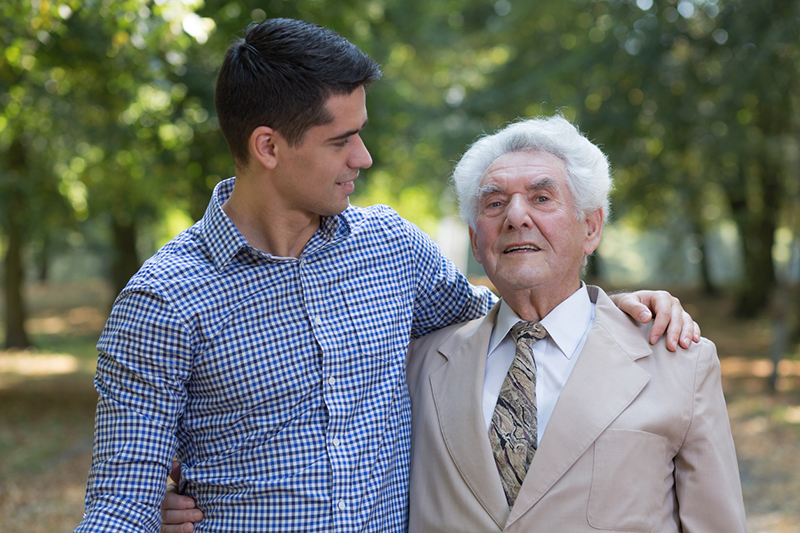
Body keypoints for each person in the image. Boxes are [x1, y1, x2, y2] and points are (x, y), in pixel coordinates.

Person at [78, 18, 697, 533]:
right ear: (268, 147)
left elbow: (504, 323)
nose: (363, 158)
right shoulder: (164, 301)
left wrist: (607, 313)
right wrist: (147, 507)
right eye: (341, 140)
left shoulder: (390, 248)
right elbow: (121, 501)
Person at [404, 115, 746, 532]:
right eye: (494, 203)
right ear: (477, 241)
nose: (515, 216)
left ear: (591, 227)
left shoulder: (679, 362)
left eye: (542, 198)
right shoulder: (418, 365)